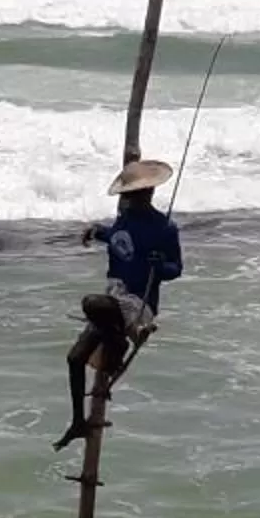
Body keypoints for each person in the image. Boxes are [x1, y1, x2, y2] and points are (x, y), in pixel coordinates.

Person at [55, 158, 182, 449]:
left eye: (128, 196)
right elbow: (118, 239)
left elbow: (176, 269)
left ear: (143, 196)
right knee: (74, 359)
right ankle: (78, 422)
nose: (122, 201)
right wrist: (97, 232)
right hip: (113, 300)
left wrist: (160, 266)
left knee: (91, 303)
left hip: (138, 304)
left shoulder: (164, 228)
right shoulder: (124, 221)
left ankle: (120, 341)